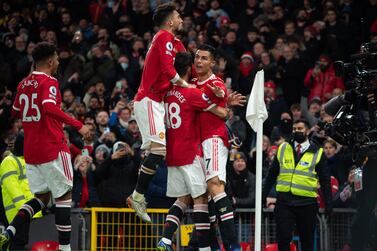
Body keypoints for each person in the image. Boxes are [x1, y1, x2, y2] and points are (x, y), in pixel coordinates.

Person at [0, 42, 90, 251]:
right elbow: (48, 107)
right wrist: (78, 125)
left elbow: (14, 112)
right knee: (64, 197)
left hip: (31, 152)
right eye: (57, 58)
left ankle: (10, 230)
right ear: (50, 60)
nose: (58, 62)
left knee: (41, 198)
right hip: (52, 147)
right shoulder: (49, 81)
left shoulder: (23, 84)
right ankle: (65, 249)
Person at [157, 52, 230, 251]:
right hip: (190, 151)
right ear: (189, 69)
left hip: (172, 153)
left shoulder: (167, 92)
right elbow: (223, 113)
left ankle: (164, 240)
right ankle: (205, 249)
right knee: (201, 199)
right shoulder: (190, 93)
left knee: (182, 198)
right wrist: (226, 103)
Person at [127, 2, 189, 223]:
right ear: (170, 21)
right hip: (149, 99)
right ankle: (137, 195)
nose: (182, 19)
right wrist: (186, 85)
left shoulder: (174, 41)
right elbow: (167, 69)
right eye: (179, 16)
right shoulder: (162, 37)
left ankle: (137, 195)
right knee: (159, 150)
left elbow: (187, 61)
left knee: (157, 151)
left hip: (157, 102)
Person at [192, 44, 239, 250]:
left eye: (204, 58)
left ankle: (233, 246)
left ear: (212, 63)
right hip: (194, 144)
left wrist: (223, 96)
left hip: (213, 139)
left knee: (215, 186)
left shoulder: (215, 81)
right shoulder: (190, 83)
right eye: (197, 58)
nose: (199, 61)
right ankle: (205, 248)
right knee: (200, 197)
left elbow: (220, 96)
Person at [263, 119, 332, 251]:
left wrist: (329, 204)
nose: (296, 131)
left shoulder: (317, 152)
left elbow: (325, 181)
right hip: (284, 202)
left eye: (300, 129)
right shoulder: (283, 148)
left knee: (307, 241)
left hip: (307, 203)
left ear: (307, 130)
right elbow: (271, 174)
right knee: (283, 239)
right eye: (294, 129)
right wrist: (263, 195)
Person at [0, 132, 42, 250]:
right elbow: (13, 189)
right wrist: (25, 210)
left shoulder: (27, 161)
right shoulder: (9, 161)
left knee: (20, 241)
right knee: (17, 242)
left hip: (24, 210)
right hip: (16, 211)